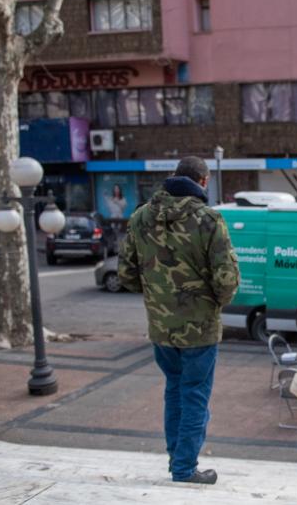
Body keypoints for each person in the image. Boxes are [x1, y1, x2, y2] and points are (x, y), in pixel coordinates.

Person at [119, 156, 240, 486]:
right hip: (199, 329)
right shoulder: (209, 220)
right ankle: (184, 468)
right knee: (195, 396)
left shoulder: (141, 216)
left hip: (161, 327)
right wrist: (211, 302)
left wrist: (159, 295)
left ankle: (177, 459)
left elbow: (126, 275)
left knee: (174, 391)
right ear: (203, 181)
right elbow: (227, 280)